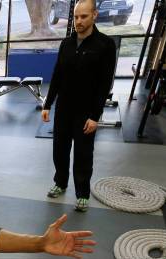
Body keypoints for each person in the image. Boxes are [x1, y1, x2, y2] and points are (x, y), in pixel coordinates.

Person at [42, 0, 116, 212]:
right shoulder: (66, 44)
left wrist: (96, 115)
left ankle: (82, 193)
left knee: (83, 154)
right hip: (64, 108)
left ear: (95, 15)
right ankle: (60, 182)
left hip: (86, 111)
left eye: (83, 16)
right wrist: (48, 104)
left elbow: (104, 83)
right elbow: (57, 76)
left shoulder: (105, 45)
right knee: (60, 150)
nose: (78, 21)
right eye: (76, 17)